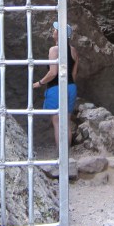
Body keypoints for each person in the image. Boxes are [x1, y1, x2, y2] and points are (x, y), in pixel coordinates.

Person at [33, 21, 79, 149]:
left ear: (59, 34)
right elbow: (74, 74)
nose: (53, 31)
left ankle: (60, 156)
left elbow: (53, 72)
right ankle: (67, 154)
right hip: (71, 87)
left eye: (55, 30)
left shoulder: (54, 50)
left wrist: (39, 83)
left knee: (57, 122)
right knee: (66, 122)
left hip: (56, 88)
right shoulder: (74, 51)